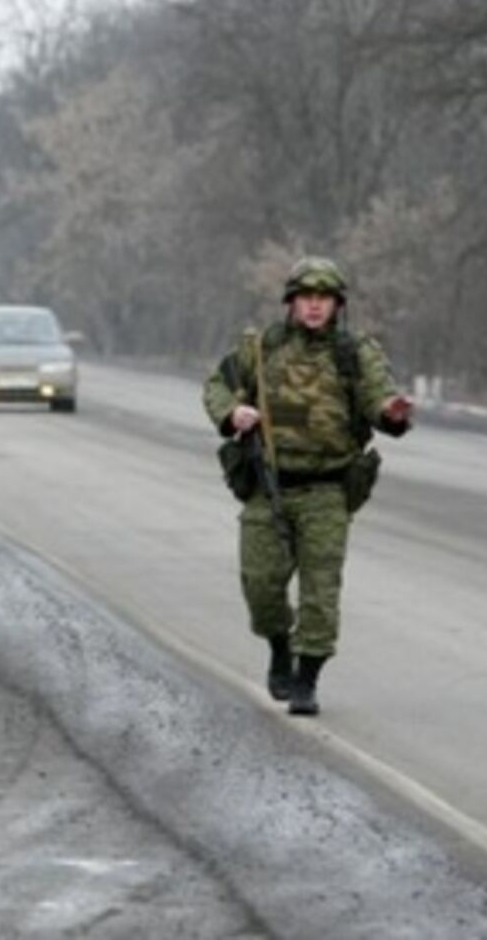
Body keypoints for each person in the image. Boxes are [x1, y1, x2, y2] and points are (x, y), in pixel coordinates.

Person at [202, 257, 413, 715]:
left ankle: (306, 680)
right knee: (261, 586)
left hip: (327, 490)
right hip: (270, 487)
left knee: (320, 592)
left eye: (324, 298)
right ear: (292, 302)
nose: (315, 306)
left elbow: (378, 398)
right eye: (306, 297)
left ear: (337, 305)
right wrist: (233, 413)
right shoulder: (263, 347)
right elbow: (218, 385)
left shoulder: (355, 352)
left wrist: (392, 413)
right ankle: (280, 645)